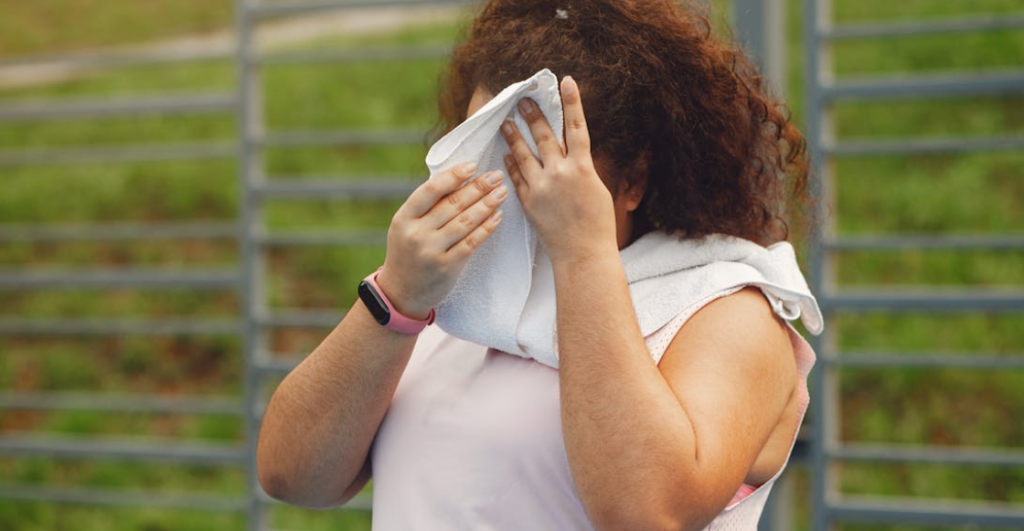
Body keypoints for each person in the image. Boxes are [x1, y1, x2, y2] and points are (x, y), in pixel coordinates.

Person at [256, 0, 818, 529]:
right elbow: (292, 476)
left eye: (538, 156)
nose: (502, 182)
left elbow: (650, 514)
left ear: (634, 180)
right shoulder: (460, 301)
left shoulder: (728, 313)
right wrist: (395, 297)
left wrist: (581, 253)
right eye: (482, 151)